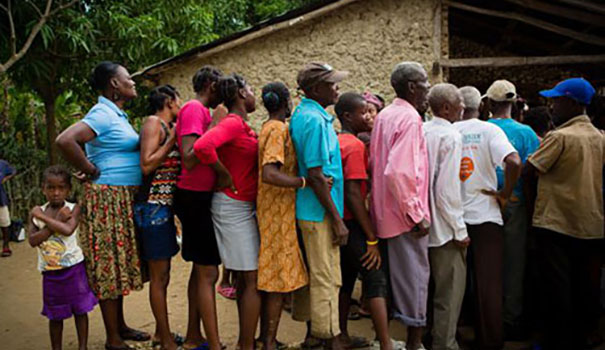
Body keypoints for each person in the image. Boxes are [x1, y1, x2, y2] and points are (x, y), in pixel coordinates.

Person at [56, 61, 150, 350]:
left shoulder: (115, 114)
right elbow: (65, 140)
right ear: (113, 84)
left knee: (118, 264)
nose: (132, 82)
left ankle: (119, 326)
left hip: (119, 198)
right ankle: (112, 339)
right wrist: (90, 168)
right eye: (127, 78)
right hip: (106, 199)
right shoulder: (102, 113)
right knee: (109, 264)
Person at [524, 78, 604, 350]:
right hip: (592, 226)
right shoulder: (601, 137)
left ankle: (556, 342)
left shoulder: (559, 137)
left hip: (556, 225)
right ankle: (583, 339)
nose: (552, 106)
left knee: (556, 291)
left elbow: (530, 170)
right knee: (586, 289)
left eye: (557, 100)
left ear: (572, 103)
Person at [194, 73, 260, 350]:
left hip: (240, 205)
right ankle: (245, 345)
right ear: (242, 94)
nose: (254, 93)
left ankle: (246, 343)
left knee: (248, 278)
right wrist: (222, 174)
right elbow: (202, 146)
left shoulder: (241, 125)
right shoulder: (233, 123)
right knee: (251, 278)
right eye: (251, 88)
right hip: (232, 205)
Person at [455, 86, 521, 350]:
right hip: (486, 217)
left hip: (454, 217)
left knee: (452, 282)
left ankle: (451, 335)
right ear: (481, 106)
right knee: (489, 283)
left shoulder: (446, 132)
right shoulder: (491, 130)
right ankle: (490, 341)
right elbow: (514, 162)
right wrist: (504, 194)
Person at [370, 62, 431, 350]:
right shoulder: (409, 119)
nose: (428, 89)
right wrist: (416, 214)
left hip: (385, 214)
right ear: (411, 87)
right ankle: (414, 344)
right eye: (425, 84)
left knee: (397, 281)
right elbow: (398, 171)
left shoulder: (385, 115)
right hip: (404, 216)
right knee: (416, 279)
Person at [289, 62, 349, 350]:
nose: (337, 88)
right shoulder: (313, 120)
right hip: (319, 211)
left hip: (315, 209)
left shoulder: (310, 115)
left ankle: (315, 335)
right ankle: (331, 337)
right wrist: (337, 219)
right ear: (315, 89)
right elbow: (315, 174)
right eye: (332, 83)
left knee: (318, 273)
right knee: (327, 276)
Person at [485, 80, 540, 339]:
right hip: (515, 202)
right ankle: (511, 319)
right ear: (515, 103)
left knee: (484, 264)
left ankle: (484, 318)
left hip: (484, 202)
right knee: (514, 264)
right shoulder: (526, 132)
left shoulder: (481, 129)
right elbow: (531, 172)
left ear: (490, 104)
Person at [335, 92, 391, 350]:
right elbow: (354, 194)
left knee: (346, 279)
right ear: (347, 116)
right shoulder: (355, 147)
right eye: (362, 112)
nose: (367, 116)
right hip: (354, 222)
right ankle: (386, 342)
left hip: (339, 224)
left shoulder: (337, 141)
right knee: (375, 276)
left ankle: (341, 334)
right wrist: (371, 238)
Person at [173, 66, 223, 350]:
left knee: (200, 271)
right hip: (193, 196)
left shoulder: (201, 112)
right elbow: (190, 158)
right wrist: (215, 125)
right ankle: (214, 344)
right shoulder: (194, 108)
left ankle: (194, 335)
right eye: (220, 84)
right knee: (209, 273)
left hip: (198, 196)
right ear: (209, 83)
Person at [256, 82, 309, 350]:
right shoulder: (277, 130)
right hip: (276, 211)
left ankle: (266, 339)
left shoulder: (268, 127)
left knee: (273, 277)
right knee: (276, 280)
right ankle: (268, 342)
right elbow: (270, 173)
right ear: (285, 101)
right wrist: (302, 182)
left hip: (274, 209)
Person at [28, 165, 98, 350]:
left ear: (68, 189)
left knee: (80, 310)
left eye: (61, 188)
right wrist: (54, 221)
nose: (56, 193)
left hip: (74, 270)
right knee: (55, 315)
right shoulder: (38, 212)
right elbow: (33, 240)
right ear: (43, 188)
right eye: (51, 188)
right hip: (50, 273)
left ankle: (83, 347)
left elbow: (68, 229)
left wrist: (49, 221)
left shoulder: (73, 209)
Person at [135, 85, 183, 350]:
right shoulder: (155, 123)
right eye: (178, 100)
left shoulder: (165, 128)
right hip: (152, 207)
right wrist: (173, 140)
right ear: (168, 101)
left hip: (160, 208)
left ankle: (159, 333)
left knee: (163, 276)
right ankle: (165, 340)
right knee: (159, 276)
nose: (181, 104)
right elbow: (147, 164)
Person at [423, 84, 469, 350]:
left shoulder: (421, 130)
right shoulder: (451, 136)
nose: (463, 107)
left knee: (425, 291)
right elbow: (447, 190)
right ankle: (444, 344)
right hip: (443, 229)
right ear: (447, 108)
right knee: (448, 295)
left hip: (420, 225)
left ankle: (426, 338)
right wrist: (460, 230)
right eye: (460, 102)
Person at [0, 159, 16, 257]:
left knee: (5, 223)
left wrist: (6, 178)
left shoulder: (2, 164)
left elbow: (13, 170)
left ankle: (6, 246)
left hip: (0, 199)